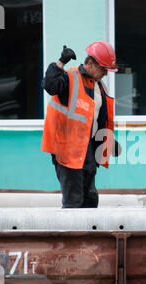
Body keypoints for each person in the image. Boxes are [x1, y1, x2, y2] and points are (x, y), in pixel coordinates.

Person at [41, 41, 121, 208]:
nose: (105, 74)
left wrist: (107, 140)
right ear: (90, 64)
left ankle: (91, 234)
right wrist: (60, 63)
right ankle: (73, 233)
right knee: (74, 201)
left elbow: (97, 118)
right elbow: (49, 85)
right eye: (103, 69)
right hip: (67, 150)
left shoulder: (99, 86)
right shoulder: (70, 77)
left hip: (87, 150)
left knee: (90, 199)